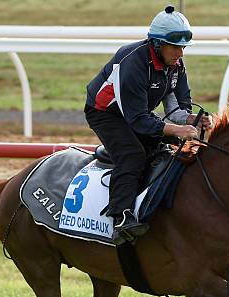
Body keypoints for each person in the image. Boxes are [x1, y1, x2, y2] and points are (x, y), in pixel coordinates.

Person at [84, 5, 213, 245]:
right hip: (105, 114)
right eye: (175, 47)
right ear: (157, 44)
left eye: (183, 47)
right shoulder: (133, 62)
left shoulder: (176, 66)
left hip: (136, 113)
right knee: (132, 154)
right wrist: (177, 129)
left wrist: (192, 120)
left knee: (171, 146)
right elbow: (137, 120)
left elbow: (175, 110)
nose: (181, 53)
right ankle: (120, 217)